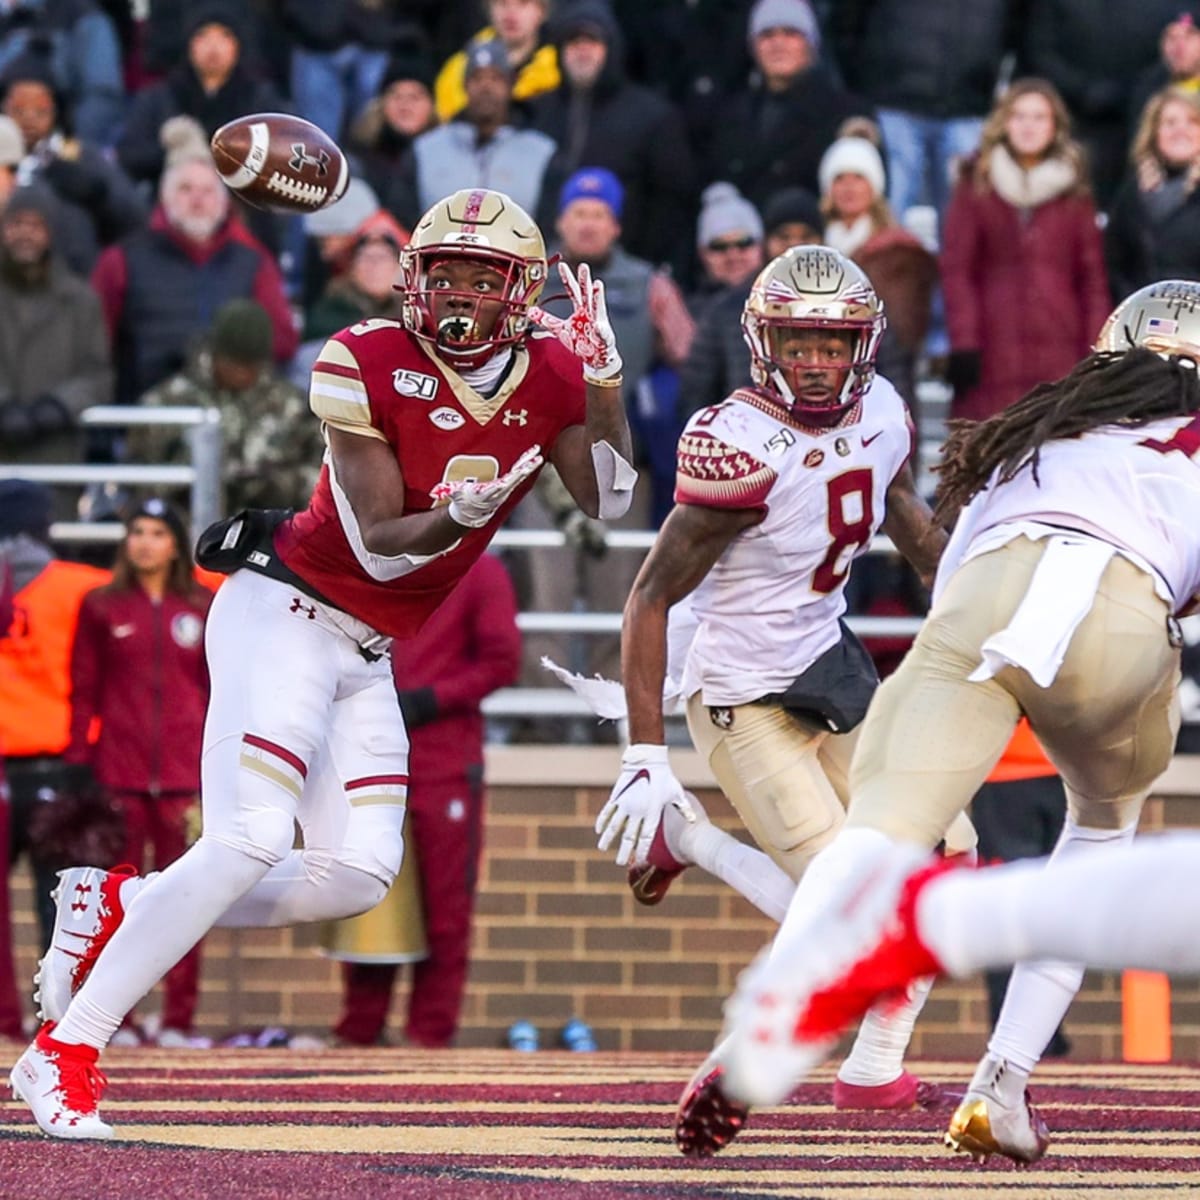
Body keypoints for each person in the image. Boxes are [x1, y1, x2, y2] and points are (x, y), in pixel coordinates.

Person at [9, 185, 635, 1140]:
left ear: (524, 289)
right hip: (285, 614)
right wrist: (459, 517)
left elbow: (614, 501)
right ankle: (66, 1050)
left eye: (483, 276)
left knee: (354, 875)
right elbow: (384, 542)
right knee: (250, 836)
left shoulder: (553, 364)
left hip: (366, 648)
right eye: (444, 273)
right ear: (414, 278)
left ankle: (121, 900)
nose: (460, 295)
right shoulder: (363, 356)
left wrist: (603, 383)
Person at [689, 277, 1200, 1163]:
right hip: (1119, 614)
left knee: (878, 833)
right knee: (1096, 841)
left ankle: (763, 1030)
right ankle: (1000, 1084)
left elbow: (955, 564)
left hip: (980, 604)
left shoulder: (1048, 418)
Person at [604, 244, 975, 1122]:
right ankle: (686, 843)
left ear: (864, 346)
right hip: (741, 688)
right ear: (764, 343)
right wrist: (646, 754)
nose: (816, 362)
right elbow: (649, 598)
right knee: (851, 901)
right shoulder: (737, 443)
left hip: (828, 657)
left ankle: (874, 1070)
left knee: (949, 858)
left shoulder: (882, 409)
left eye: (832, 344)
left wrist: (964, 589)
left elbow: (898, 508)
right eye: (797, 343)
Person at [326, 553, 521, 1048]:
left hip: (443, 763)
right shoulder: (376, 564)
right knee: (367, 893)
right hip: (372, 755)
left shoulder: (481, 571)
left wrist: (429, 700)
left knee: (445, 907)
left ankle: (429, 1038)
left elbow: (501, 661)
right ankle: (360, 1032)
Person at [60, 498, 213, 1048]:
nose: (145, 542)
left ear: (175, 542)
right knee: (118, 905)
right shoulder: (101, 606)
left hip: (184, 781)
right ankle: (112, 1020)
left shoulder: (203, 604)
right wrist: (80, 764)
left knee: (188, 903)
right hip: (118, 777)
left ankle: (178, 1021)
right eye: (136, 532)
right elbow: (83, 690)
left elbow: (219, 691)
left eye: (156, 532)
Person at [940, 78, 1111, 424]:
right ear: (1003, 122)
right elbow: (958, 270)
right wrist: (965, 341)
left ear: (1055, 125)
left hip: (1060, 348)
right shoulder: (976, 183)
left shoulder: (1075, 191)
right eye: (1019, 116)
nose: (1028, 126)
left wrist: (1098, 349)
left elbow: (1092, 279)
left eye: (1039, 117)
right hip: (992, 350)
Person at [90, 142, 298, 408]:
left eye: (208, 191)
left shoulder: (254, 262)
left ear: (224, 203)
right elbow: (95, 344)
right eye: (185, 189)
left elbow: (282, 342)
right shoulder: (121, 260)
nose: (198, 200)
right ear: (165, 199)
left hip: (236, 415)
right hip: (148, 414)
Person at [0, 481, 109, 950]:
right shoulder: (85, 584)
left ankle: (5, 1022)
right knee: (64, 919)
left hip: (9, 763)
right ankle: (59, 1024)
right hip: (66, 767)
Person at [527, 0, 698, 275]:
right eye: (573, 41)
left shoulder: (651, 115)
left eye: (593, 41)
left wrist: (647, 262)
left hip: (629, 271)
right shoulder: (538, 112)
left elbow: (673, 201)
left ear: (611, 49)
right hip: (549, 272)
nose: (582, 50)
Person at [131, 299, 322, 515]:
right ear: (215, 353)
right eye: (232, 362)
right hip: (184, 532)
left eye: (249, 365)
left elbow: (319, 477)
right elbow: (138, 479)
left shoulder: (292, 406)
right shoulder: (169, 403)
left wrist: (277, 485)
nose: (240, 373)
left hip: (269, 532)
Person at [705, 0, 874, 210]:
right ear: (753, 46)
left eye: (790, 33)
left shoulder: (847, 112)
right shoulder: (731, 113)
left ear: (810, 44)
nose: (778, 44)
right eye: (767, 35)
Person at [817, 134, 937, 411]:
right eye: (840, 178)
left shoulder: (901, 252)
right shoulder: (812, 245)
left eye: (858, 177)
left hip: (882, 378)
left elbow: (904, 330)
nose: (849, 187)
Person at [387, 38, 557, 231]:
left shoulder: (541, 152)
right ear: (465, 85)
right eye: (477, 78)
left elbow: (550, 225)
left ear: (511, 85)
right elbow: (402, 221)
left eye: (495, 78)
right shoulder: (426, 150)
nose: (486, 87)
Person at [0, 185, 113, 475]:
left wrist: (57, 407)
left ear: (51, 232)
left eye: (35, 225)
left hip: (56, 457)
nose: (25, 233)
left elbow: (98, 375)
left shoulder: (80, 300)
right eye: (17, 224)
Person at [0, 58, 146, 274]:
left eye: (40, 110)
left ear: (57, 110)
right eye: (19, 109)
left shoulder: (83, 157)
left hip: (73, 286)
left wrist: (99, 196)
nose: (29, 119)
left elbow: (136, 220)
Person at [1106, 87, 1200, 302]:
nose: (1180, 130)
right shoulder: (1131, 194)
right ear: (1154, 131)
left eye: (1192, 122)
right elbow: (1115, 265)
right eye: (1169, 122)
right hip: (1144, 324)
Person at [434, 0, 558, 123]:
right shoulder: (457, 69)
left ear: (542, 11)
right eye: (502, 3)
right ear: (489, 9)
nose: (510, 13)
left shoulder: (561, 69)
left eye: (523, 3)